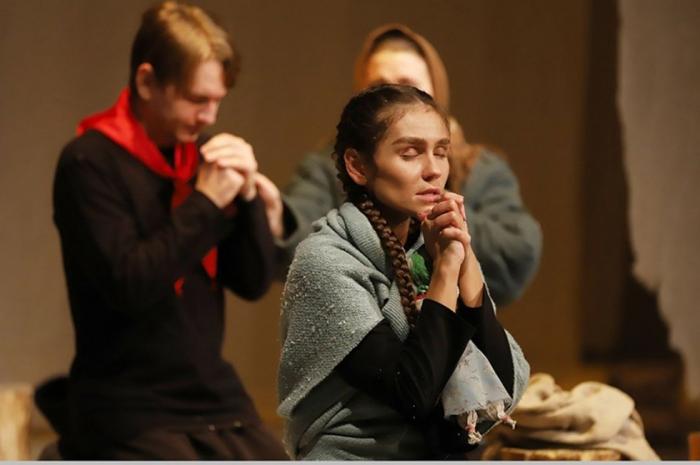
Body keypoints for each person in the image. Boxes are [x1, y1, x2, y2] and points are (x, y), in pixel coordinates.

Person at [47, 1, 287, 459]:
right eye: (197, 100)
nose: (210, 117)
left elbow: (252, 281)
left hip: (211, 396)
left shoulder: (200, 159)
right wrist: (206, 202)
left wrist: (251, 201)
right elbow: (130, 283)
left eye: (217, 101)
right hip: (127, 400)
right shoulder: (89, 162)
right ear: (146, 82)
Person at [277, 84, 530, 460]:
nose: (433, 170)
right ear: (358, 166)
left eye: (441, 152)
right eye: (410, 153)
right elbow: (412, 392)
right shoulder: (325, 262)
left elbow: (503, 385)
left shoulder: (425, 249)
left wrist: (464, 260)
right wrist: (445, 272)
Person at [259, 24, 542, 307]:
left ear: (434, 94)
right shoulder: (332, 163)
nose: (397, 98)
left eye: (409, 86)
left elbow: (517, 249)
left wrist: (445, 223)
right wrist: (281, 219)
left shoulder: (477, 166)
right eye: (379, 87)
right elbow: (304, 220)